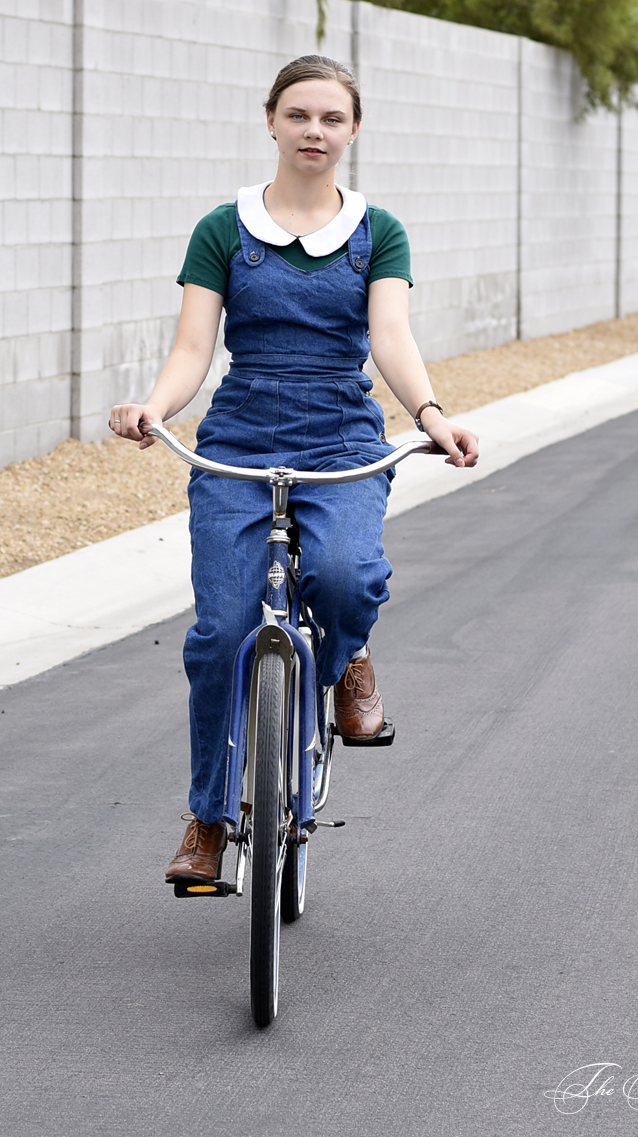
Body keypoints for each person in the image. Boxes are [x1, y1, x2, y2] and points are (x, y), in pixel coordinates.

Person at [109, 55, 479, 885]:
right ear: (271, 121)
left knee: (347, 577)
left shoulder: (378, 231)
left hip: (342, 431)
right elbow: (193, 349)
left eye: (332, 119)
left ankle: (347, 654)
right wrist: (155, 409)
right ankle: (208, 820)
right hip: (238, 435)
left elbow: (390, 338)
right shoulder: (223, 228)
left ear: (353, 131)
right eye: (300, 115)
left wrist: (430, 416)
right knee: (219, 634)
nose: (315, 131)